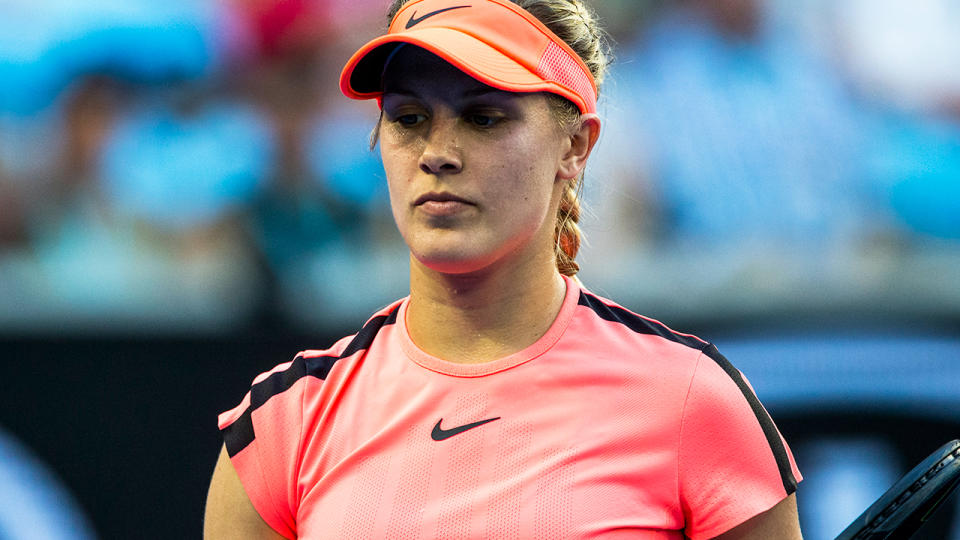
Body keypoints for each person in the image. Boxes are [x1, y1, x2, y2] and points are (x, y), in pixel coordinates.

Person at [204, 0, 803, 538]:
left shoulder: (693, 400)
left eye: (483, 118)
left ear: (575, 147)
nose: (437, 154)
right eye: (409, 119)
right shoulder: (284, 423)